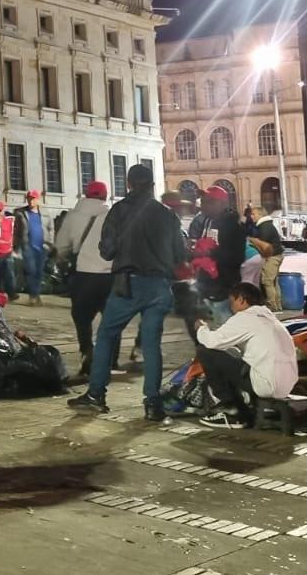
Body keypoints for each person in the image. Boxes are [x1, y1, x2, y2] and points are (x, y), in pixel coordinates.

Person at [69, 164, 187, 421]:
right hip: (159, 286)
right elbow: (180, 254)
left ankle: (96, 394)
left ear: (129, 185)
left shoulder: (119, 210)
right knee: (152, 343)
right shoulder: (167, 215)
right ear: (152, 185)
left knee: (107, 335)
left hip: (129, 284)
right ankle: (153, 402)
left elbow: (107, 251)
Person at [193, 281, 299, 427]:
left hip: (265, 384)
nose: (231, 307)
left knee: (206, 351)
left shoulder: (245, 317)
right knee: (233, 354)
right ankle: (242, 405)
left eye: (232, 302)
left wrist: (201, 329)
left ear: (241, 300)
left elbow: (212, 341)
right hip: (286, 384)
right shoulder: (270, 318)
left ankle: (231, 408)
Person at [56, 180, 116, 377]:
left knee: (82, 318)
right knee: (111, 318)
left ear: (87, 194)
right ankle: (110, 358)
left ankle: (86, 351)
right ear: (105, 195)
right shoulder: (113, 214)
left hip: (82, 273)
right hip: (109, 275)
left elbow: (62, 245)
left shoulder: (73, 216)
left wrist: (63, 259)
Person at [191, 187, 245, 323]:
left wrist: (210, 253)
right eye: (202, 202)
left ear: (222, 203)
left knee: (224, 324)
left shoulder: (233, 225)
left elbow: (236, 257)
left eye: (208, 202)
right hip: (207, 283)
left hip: (223, 286)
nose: (202, 206)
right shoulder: (206, 221)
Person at [11, 191, 47, 305]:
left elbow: (50, 228)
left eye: (33, 198)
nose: (31, 201)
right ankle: (33, 296)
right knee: (31, 271)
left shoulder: (45, 212)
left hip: (42, 247)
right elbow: (16, 231)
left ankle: (36, 294)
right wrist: (15, 246)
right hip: (28, 247)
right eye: (29, 198)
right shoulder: (21, 213)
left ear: (38, 200)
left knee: (39, 272)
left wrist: (49, 242)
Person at [250, 206, 286, 310]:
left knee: (267, 281)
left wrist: (253, 241)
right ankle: (278, 306)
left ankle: (272, 306)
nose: (252, 217)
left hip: (272, 257)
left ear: (261, 215)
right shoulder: (266, 225)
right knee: (274, 281)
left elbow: (263, 244)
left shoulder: (264, 227)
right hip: (277, 255)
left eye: (254, 214)